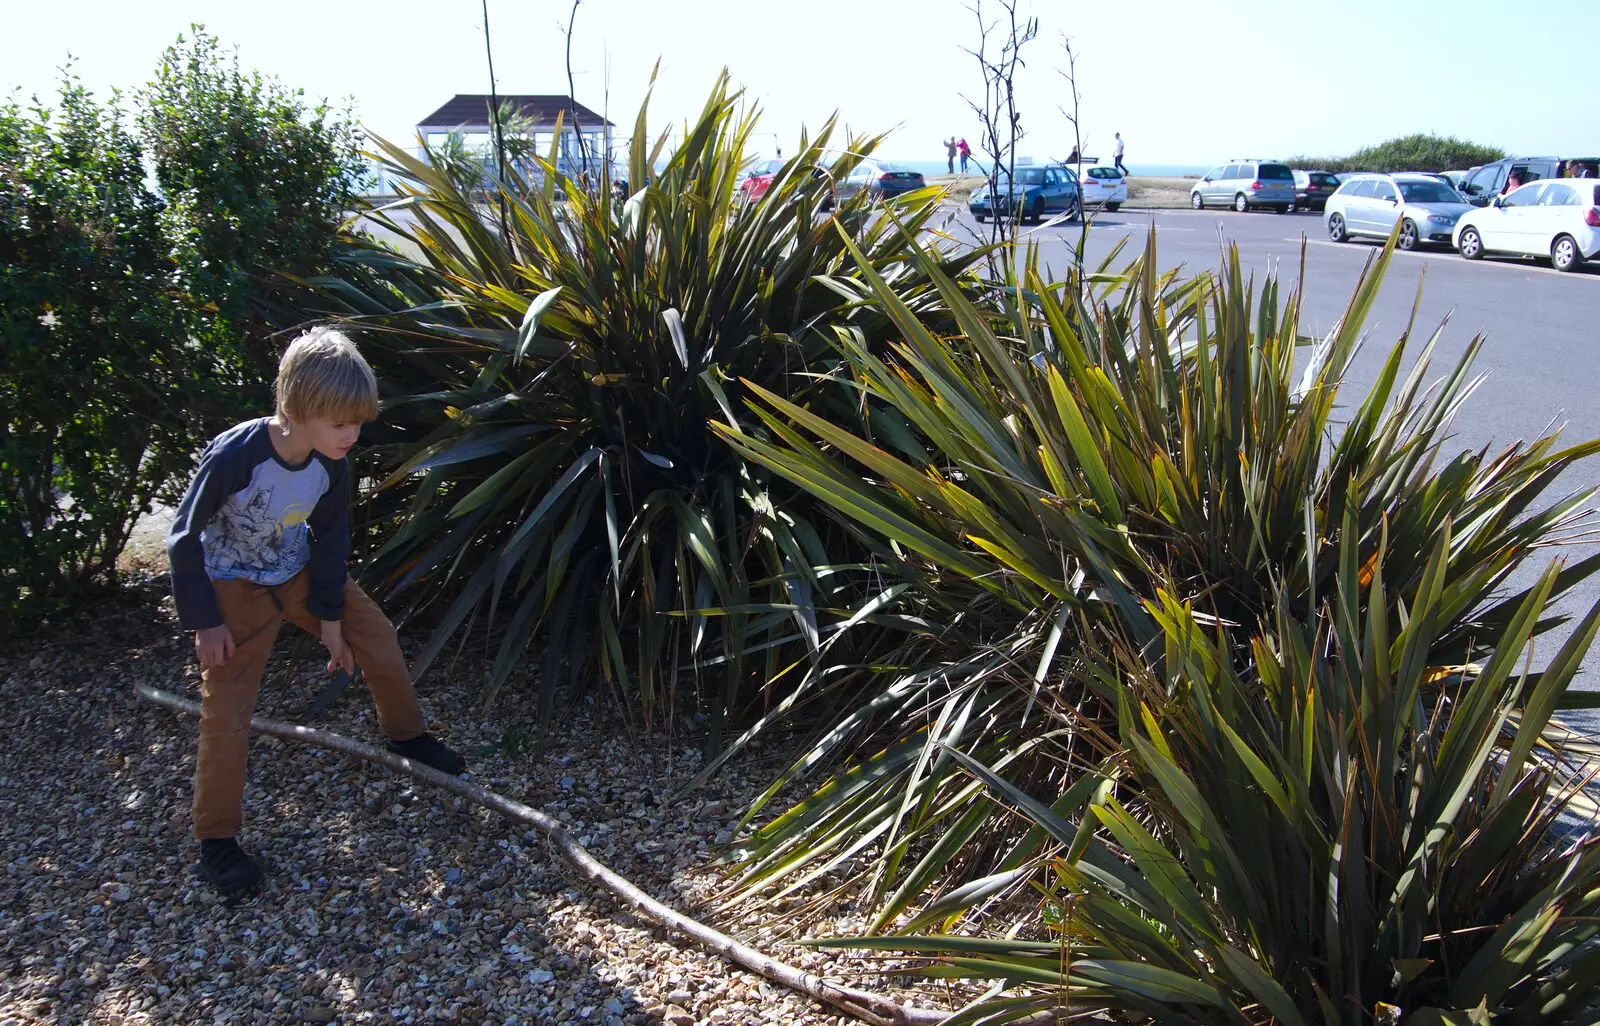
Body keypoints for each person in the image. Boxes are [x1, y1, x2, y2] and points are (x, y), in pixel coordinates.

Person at [166, 327, 467, 896]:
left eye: (358, 422)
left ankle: (406, 736)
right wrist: (205, 622)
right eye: (340, 423)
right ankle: (217, 840)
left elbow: (330, 538)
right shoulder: (238, 455)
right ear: (299, 407)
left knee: (374, 636)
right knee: (228, 708)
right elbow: (183, 537)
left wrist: (330, 619)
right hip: (233, 588)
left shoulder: (331, 461)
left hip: (298, 570)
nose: (351, 435)